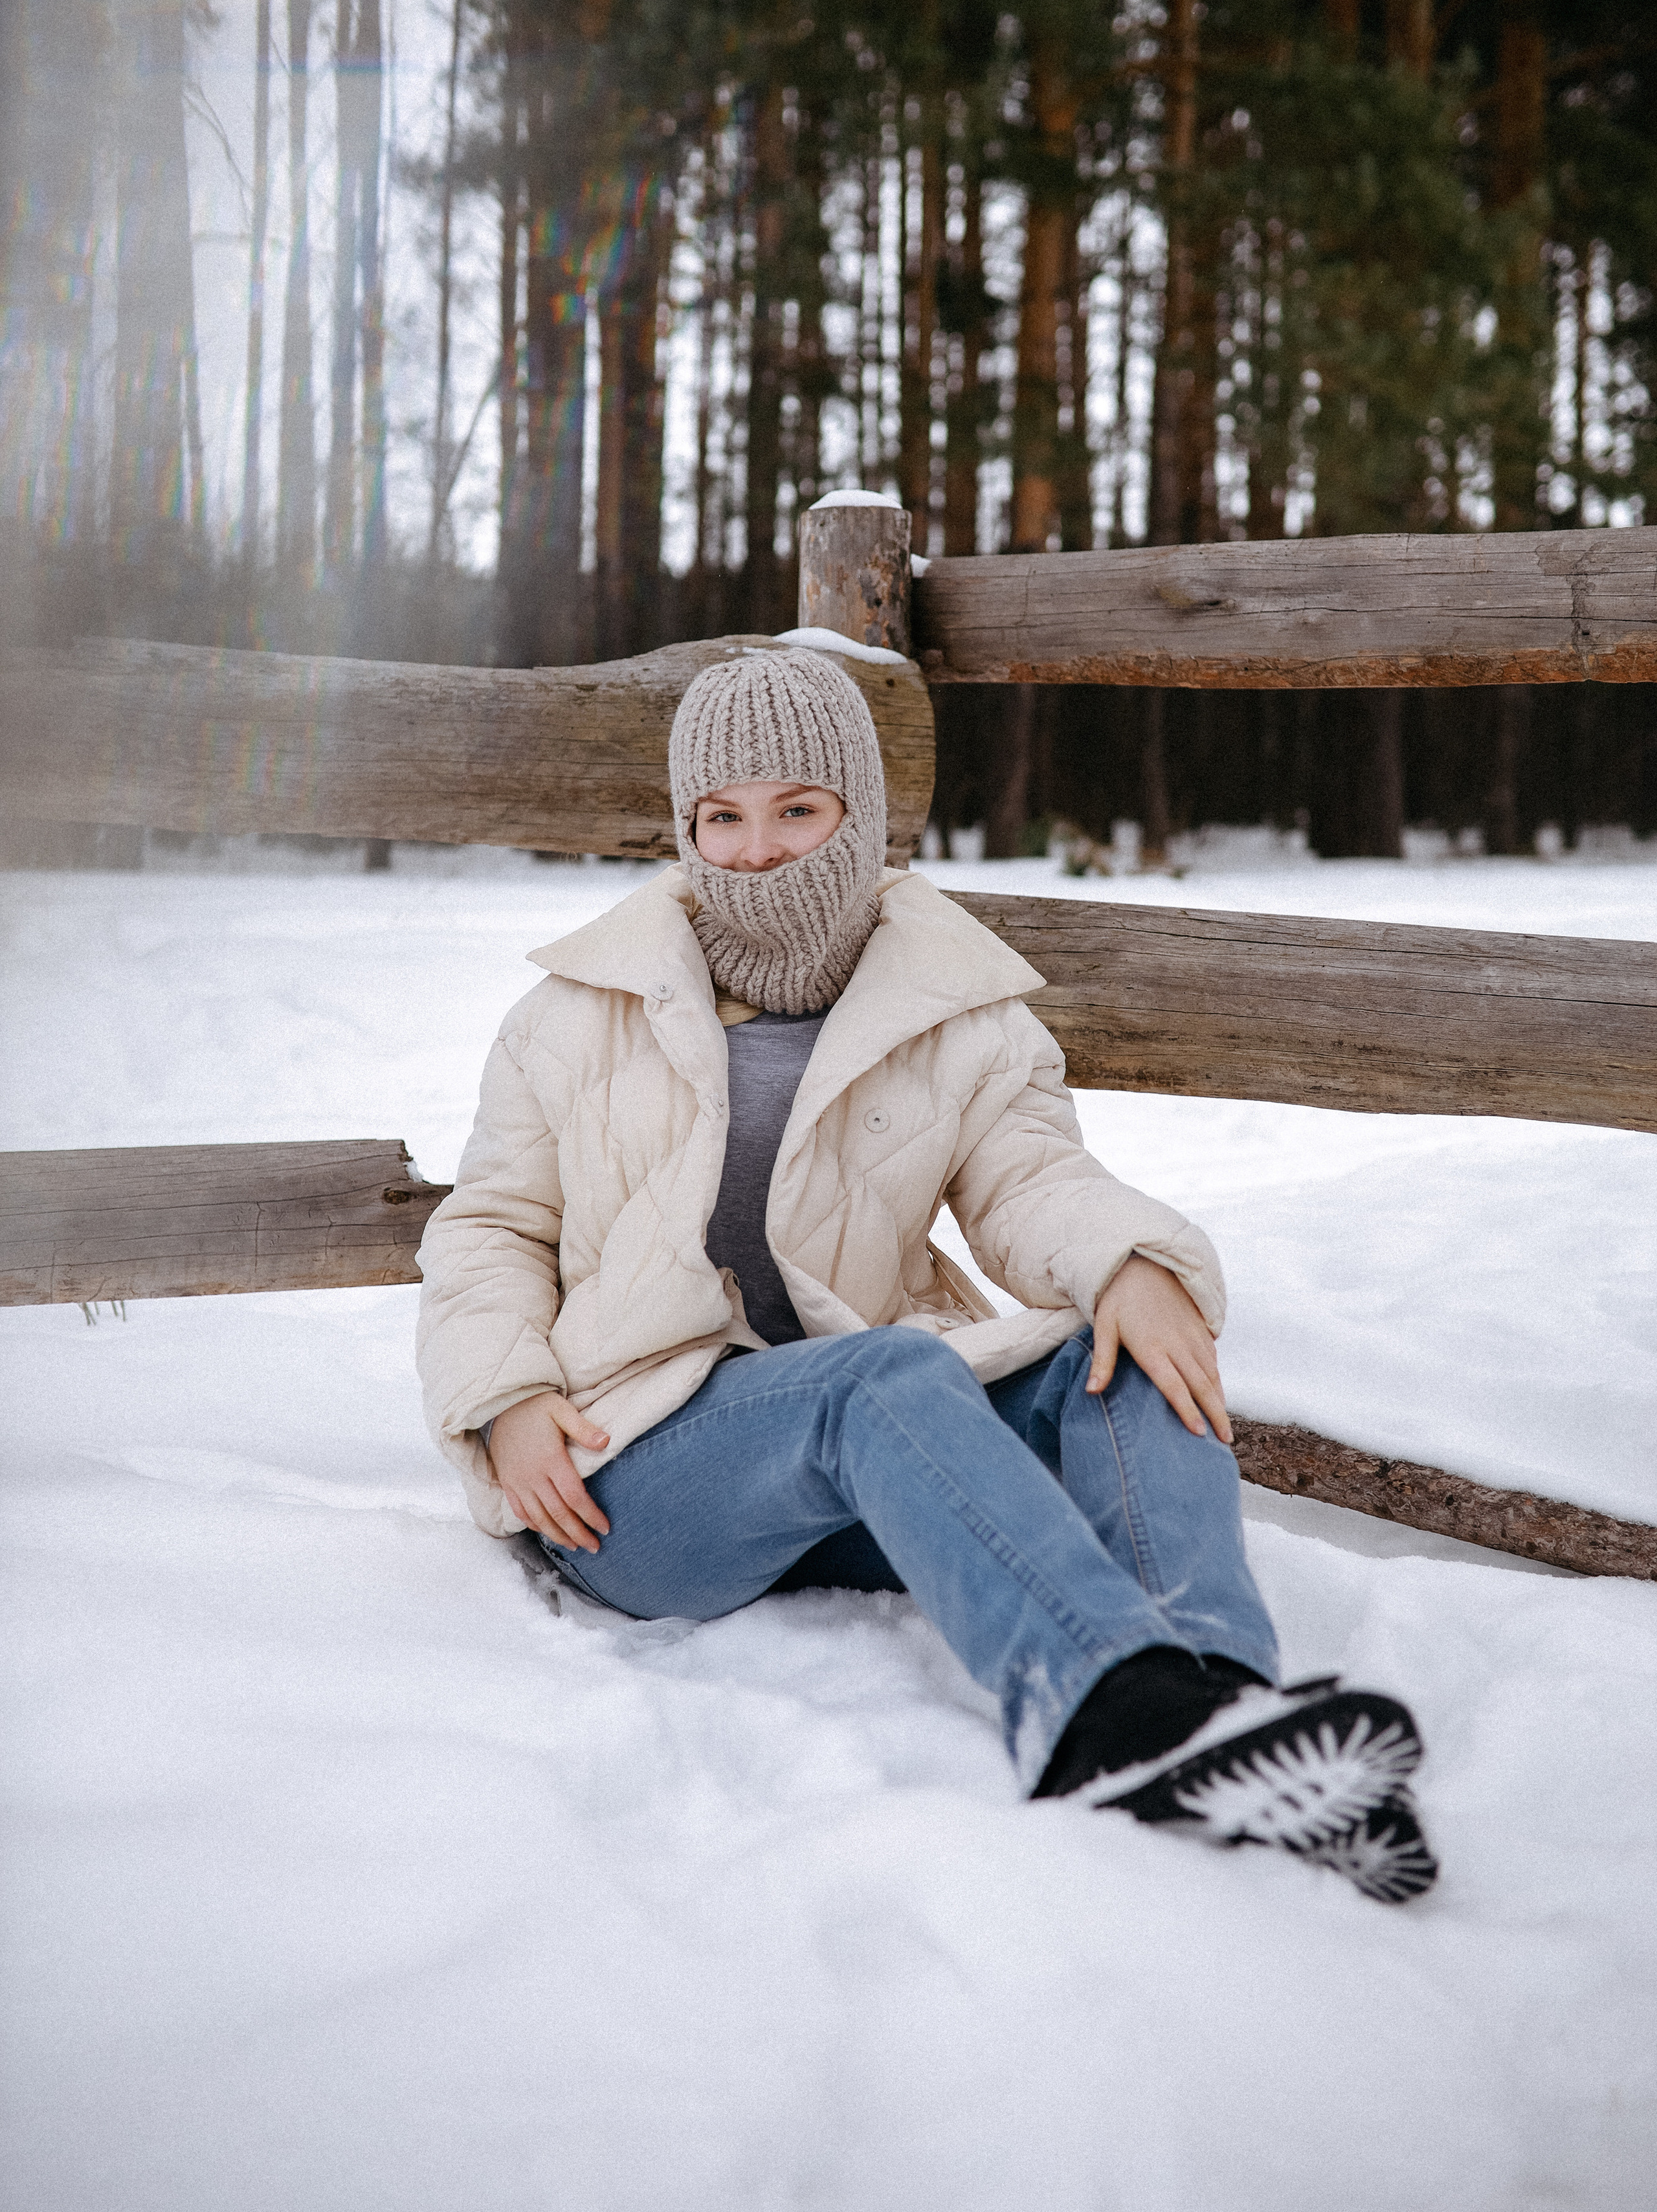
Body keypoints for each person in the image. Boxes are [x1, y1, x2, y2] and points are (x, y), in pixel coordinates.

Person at [417, 646, 1437, 1903]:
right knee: (880, 1377)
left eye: (797, 809)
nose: (756, 850)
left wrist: (1126, 1259)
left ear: (861, 820)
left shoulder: (962, 1012)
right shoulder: (577, 1011)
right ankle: (1105, 1718)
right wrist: (505, 1398)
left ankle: (1220, 1705)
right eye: (720, 818)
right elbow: (489, 1233)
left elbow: (1026, 1183)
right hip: (635, 1473)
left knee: (1111, 1352)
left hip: (878, 1470)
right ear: (684, 826)